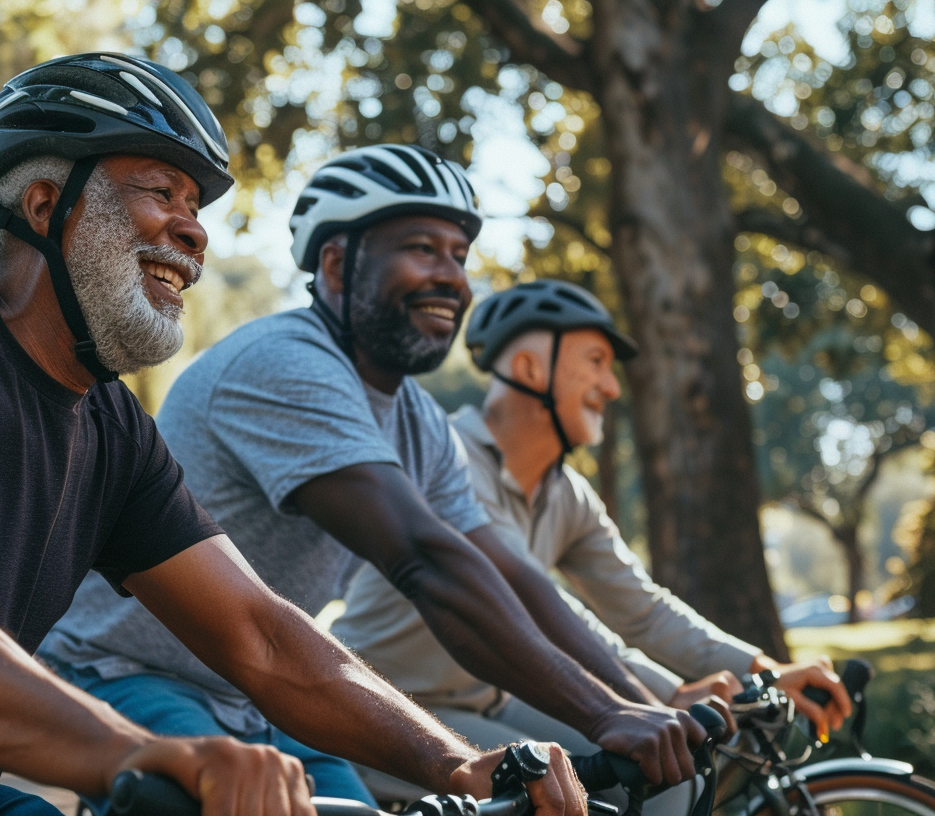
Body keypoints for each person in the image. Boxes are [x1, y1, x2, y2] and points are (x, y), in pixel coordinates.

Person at [0, 56, 586, 816]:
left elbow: (262, 638)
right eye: (160, 192)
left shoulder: (113, 429)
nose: (193, 231)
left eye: (198, 208)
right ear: (46, 207)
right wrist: (143, 750)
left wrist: (459, 765)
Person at [40, 144, 708, 806]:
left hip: (260, 689)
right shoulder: (283, 363)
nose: (452, 276)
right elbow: (425, 559)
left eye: (460, 255)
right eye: (422, 247)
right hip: (125, 669)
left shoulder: (417, 420)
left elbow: (508, 571)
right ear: (337, 262)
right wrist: (602, 715)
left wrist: (639, 704)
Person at [332, 279, 853, 768]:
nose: (611, 387)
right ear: (531, 369)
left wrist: (760, 671)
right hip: (387, 700)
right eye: (597, 362)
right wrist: (660, 693)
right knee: (635, 764)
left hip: (489, 702)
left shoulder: (567, 495)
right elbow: (536, 610)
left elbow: (642, 609)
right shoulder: (446, 458)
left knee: (671, 764)